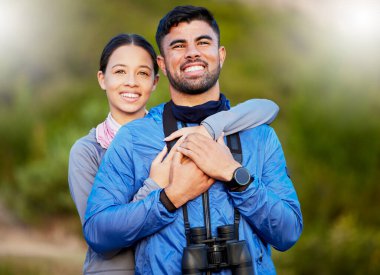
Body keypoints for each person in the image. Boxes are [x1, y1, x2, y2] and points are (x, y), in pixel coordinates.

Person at [83, 6, 302, 274]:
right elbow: (98, 233)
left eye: (203, 42)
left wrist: (234, 175)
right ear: (162, 64)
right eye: (178, 45)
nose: (192, 52)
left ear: (220, 55)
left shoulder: (260, 136)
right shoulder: (133, 138)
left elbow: (288, 232)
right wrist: (169, 198)